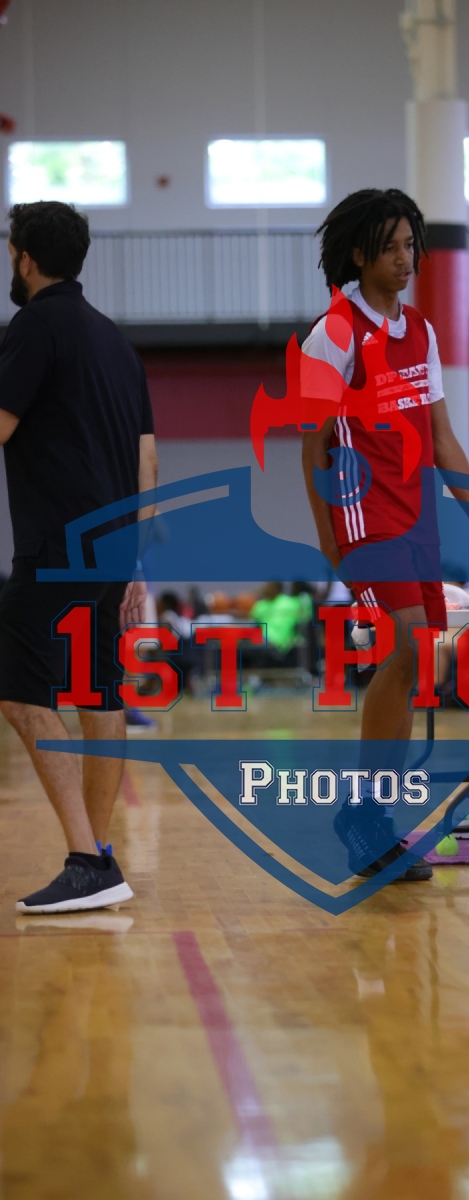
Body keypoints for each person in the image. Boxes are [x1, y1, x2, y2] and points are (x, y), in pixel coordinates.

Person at [301, 188, 469, 880]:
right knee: (412, 648)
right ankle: (364, 815)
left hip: (418, 515)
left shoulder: (421, 331)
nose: (405, 258)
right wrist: (329, 540)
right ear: (359, 255)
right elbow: (312, 446)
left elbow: (443, 440)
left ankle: (372, 817)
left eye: (410, 245)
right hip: (365, 515)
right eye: (389, 247)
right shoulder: (334, 332)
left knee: (416, 662)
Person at [0, 200, 158, 912]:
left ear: (26, 258)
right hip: (113, 550)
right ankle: (97, 856)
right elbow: (148, 459)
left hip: (57, 545)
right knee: (100, 694)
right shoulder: (116, 342)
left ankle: (87, 860)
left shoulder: (35, 326)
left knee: (19, 692)